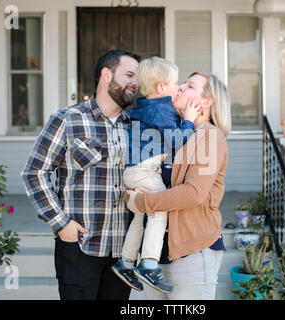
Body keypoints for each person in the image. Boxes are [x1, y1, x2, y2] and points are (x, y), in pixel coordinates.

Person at [21, 49, 141, 300]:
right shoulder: (67, 119)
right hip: (79, 247)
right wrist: (60, 223)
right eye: (129, 74)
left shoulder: (138, 125)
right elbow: (34, 172)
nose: (135, 83)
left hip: (123, 252)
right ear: (106, 75)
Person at [125, 72, 231, 300]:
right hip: (154, 255)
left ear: (206, 102)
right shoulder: (173, 132)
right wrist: (130, 195)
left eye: (190, 85)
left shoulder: (209, 138)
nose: (180, 87)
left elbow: (193, 193)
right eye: (182, 83)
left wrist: (141, 202)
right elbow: (143, 175)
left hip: (191, 251)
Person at [111, 57, 199, 294]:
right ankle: (149, 264)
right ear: (161, 88)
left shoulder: (142, 107)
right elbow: (178, 141)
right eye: (175, 83)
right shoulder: (161, 110)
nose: (179, 86)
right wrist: (188, 120)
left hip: (134, 172)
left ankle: (126, 262)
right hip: (145, 170)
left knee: (141, 217)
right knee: (159, 210)